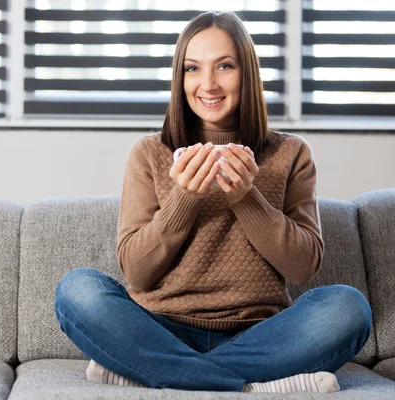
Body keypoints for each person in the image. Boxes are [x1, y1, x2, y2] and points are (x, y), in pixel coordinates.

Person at [54, 11, 372, 393]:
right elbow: (137, 272)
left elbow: (303, 268)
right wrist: (184, 198)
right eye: (192, 68)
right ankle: (249, 386)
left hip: (261, 335)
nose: (207, 84)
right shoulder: (149, 153)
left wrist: (246, 198)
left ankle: (154, 372)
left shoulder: (290, 153)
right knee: (78, 290)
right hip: (159, 329)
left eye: (224, 66)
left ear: (247, 74)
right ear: (180, 77)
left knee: (347, 307)